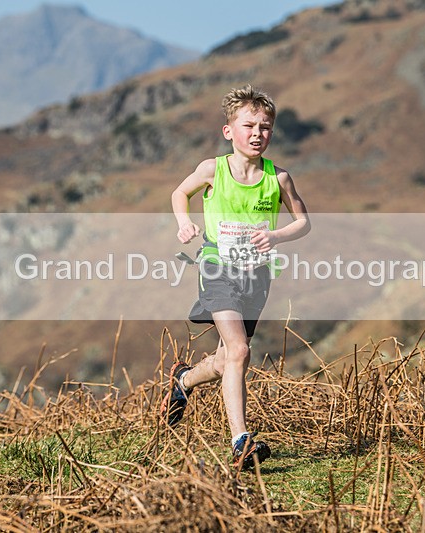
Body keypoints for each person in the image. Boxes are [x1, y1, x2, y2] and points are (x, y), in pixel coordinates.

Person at [162, 85, 310, 468]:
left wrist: (276, 235)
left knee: (228, 356)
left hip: (256, 277)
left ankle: (184, 380)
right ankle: (241, 441)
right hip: (216, 269)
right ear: (229, 131)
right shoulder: (213, 169)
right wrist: (184, 224)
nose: (258, 133)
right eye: (249, 126)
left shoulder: (278, 178)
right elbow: (180, 193)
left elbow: (304, 222)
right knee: (241, 351)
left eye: (265, 127)